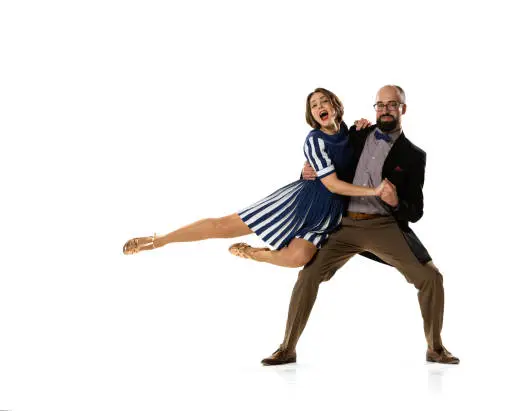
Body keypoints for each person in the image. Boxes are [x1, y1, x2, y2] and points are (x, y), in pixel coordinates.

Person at [260, 85, 460, 365]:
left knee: (431, 278)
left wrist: (394, 201)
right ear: (374, 108)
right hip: (343, 225)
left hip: (383, 226)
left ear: (403, 108)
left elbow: (415, 211)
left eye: (392, 105)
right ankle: (287, 348)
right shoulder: (355, 134)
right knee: (308, 276)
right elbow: (327, 162)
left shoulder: (414, 155)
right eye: (380, 105)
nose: (386, 109)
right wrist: (307, 172)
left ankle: (435, 348)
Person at [122, 88, 389, 269]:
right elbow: (329, 182)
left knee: (299, 257)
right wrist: (373, 191)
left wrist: (362, 129)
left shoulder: (351, 131)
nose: (320, 106)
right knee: (222, 227)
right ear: (312, 115)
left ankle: (254, 253)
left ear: (335, 105)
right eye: (314, 105)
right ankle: (159, 240)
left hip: (328, 214)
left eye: (324, 101)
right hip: (299, 202)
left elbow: (358, 156)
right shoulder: (314, 140)